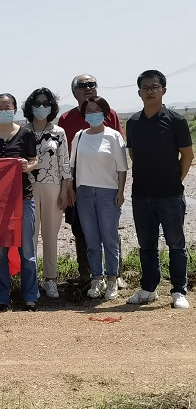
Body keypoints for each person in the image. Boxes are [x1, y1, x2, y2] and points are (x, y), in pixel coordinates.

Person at [125, 69, 194, 309]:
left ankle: (179, 291)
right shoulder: (133, 122)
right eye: (145, 88)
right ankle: (148, 289)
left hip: (170, 195)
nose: (150, 91)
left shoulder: (176, 120)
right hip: (141, 195)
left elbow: (187, 155)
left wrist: (176, 180)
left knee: (176, 244)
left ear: (163, 90)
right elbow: (133, 153)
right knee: (147, 246)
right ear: (139, 93)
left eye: (155, 87)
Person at [58, 75, 125, 287]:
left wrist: (120, 188)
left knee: (109, 230)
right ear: (74, 92)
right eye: (82, 85)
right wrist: (67, 187)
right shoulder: (66, 118)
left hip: (106, 182)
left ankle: (116, 275)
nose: (88, 88)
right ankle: (87, 274)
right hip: (79, 182)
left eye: (91, 85)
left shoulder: (110, 114)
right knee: (81, 228)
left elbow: (120, 151)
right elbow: (64, 155)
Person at [0, 93, 39, 311]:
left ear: (15, 109)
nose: (4, 110)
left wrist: (27, 167)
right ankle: (2, 298)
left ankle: (31, 297)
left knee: (27, 252)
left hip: (23, 200)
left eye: (8, 107)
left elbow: (34, 160)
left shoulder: (26, 134)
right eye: (0, 107)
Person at [69, 96, 127, 300]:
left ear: (105, 113)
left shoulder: (113, 136)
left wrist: (120, 191)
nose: (93, 114)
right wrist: (70, 189)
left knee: (110, 238)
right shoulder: (79, 136)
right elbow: (71, 166)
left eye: (97, 110)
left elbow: (122, 168)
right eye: (89, 111)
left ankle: (112, 278)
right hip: (84, 192)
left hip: (108, 192)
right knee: (91, 239)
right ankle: (97, 278)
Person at [22, 88, 72, 299]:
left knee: (51, 234)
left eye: (46, 103)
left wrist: (64, 191)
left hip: (53, 186)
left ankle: (50, 279)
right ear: (30, 106)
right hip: (28, 188)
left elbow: (65, 164)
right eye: (37, 103)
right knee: (30, 236)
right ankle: (31, 281)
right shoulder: (22, 131)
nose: (41, 107)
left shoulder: (59, 132)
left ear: (51, 107)